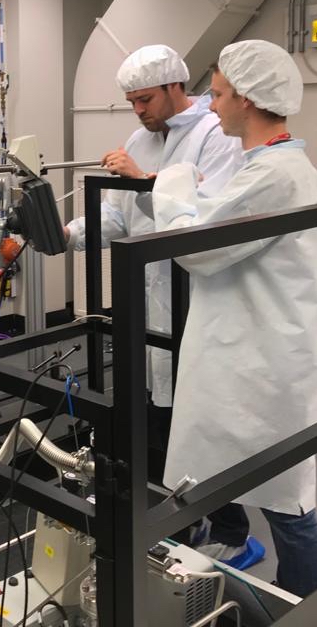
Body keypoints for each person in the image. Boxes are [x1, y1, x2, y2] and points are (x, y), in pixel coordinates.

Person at [150, 39, 317, 598]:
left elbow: (195, 245)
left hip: (265, 362)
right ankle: (241, 552)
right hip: (243, 353)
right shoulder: (262, 167)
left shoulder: (277, 173)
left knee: (285, 497)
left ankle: (309, 604)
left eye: (221, 93)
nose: (212, 103)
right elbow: (218, 222)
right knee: (239, 472)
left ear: (248, 101)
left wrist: (174, 183)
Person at [64, 44, 242, 474]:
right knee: (153, 417)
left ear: (175, 85)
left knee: (199, 421)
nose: (139, 111)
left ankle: (225, 529)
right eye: (132, 103)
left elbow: (207, 216)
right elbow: (117, 217)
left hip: (196, 294)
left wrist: (143, 181)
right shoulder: (139, 140)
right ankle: (170, 520)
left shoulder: (215, 136)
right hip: (144, 303)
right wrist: (68, 234)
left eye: (146, 100)